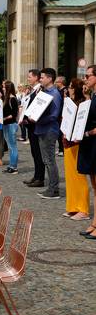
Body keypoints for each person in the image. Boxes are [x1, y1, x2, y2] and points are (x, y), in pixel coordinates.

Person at [62, 78, 90, 220]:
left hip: (77, 142)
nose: (69, 89)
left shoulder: (83, 103)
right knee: (70, 177)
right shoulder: (70, 103)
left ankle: (83, 209)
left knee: (79, 177)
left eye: (71, 87)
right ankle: (73, 206)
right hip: (67, 141)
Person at [32, 68, 62, 199]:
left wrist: (37, 119)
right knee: (46, 160)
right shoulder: (44, 92)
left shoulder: (54, 94)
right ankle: (52, 187)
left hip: (49, 130)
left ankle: (54, 189)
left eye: (42, 77)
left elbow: (54, 115)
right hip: (42, 129)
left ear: (50, 79)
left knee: (49, 160)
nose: (40, 79)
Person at [77, 65, 96, 240]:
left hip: (94, 141)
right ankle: (95, 223)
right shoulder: (93, 96)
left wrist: (89, 132)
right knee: (95, 186)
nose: (85, 79)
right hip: (90, 143)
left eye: (88, 76)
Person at [23, 69, 45, 188]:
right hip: (30, 124)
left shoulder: (40, 90)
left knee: (38, 152)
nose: (28, 79)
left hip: (35, 124)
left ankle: (40, 178)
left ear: (36, 77)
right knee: (34, 152)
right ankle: (36, 176)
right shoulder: (33, 91)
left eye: (30, 77)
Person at [2, 80, 19, 174]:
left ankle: (14, 167)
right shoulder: (6, 98)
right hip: (6, 124)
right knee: (10, 146)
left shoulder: (12, 99)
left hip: (11, 124)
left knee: (13, 146)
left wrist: (4, 118)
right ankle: (11, 165)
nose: (3, 88)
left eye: (4, 87)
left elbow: (13, 114)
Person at [55, 75, 68, 156]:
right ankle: (60, 148)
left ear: (61, 82)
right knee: (58, 133)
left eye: (57, 82)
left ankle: (62, 150)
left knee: (61, 133)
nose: (55, 83)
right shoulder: (58, 90)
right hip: (58, 114)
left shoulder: (65, 90)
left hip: (62, 115)